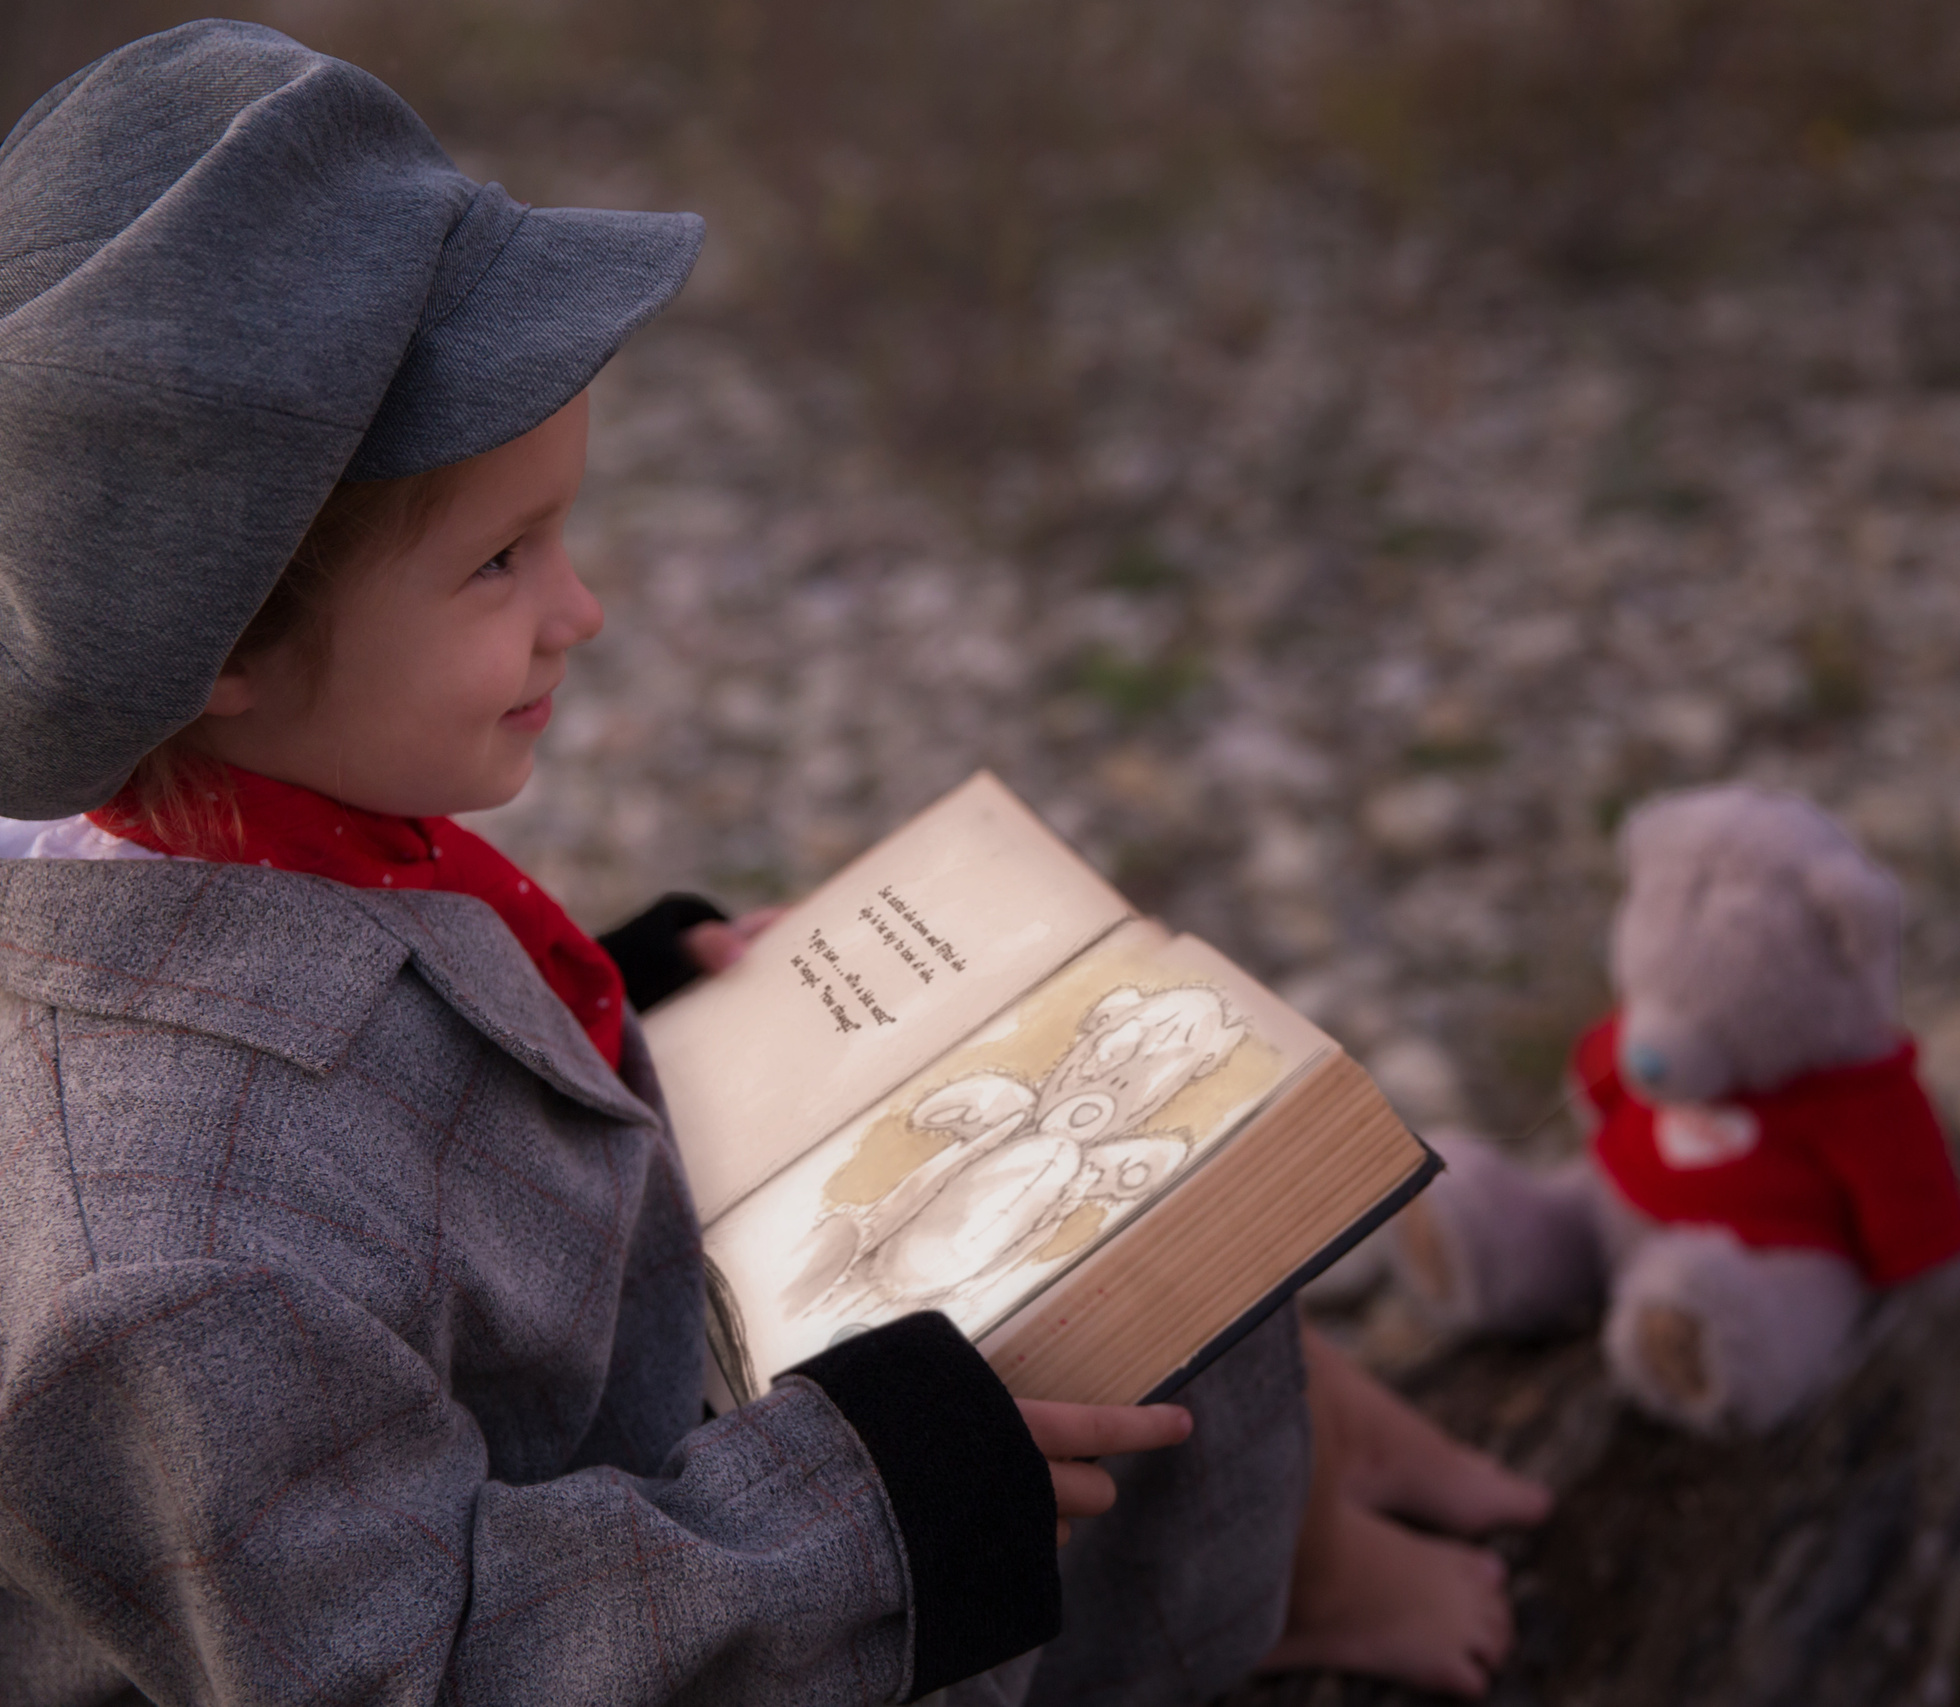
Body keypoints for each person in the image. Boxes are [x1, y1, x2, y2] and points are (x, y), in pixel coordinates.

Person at [0, 22, 1543, 1705]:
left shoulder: (245, 820)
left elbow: (377, 1088)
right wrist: (863, 1507)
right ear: (224, 646)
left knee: (1136, 1163)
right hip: (677, 1585)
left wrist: (629, 993)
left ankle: (1298, 1479)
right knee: (1079, 1316)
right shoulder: (164, 1271)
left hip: (634, 1410)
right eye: (502, 562)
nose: (581, 611)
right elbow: (415, 1667)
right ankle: (1279, 1572)